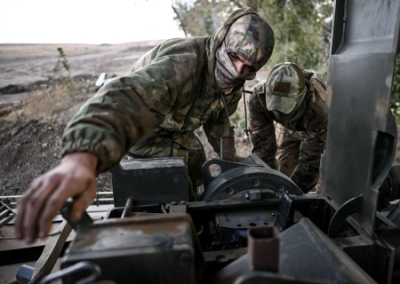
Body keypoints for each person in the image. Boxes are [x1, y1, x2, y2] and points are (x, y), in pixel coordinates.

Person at [15, 8, 274, 243]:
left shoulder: (234, 77)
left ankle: (198, 225)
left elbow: (218, 115)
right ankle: (176, 238)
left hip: (178, 130)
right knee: (174, 185)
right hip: (147, 132)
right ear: (223, 42)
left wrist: (227, 156)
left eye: (249, 67)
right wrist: (82, 158)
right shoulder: (184, 64)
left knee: (197, 168)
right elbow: (128, 99)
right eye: (234, 57)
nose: (238, 69)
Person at [247, 62, 327, 193]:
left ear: (301, 97)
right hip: (288, 129)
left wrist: (289, 195)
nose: (280, 114)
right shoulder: (258, 99)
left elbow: (311, 164)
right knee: (284, 172)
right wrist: (268, 186)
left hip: (317, 130)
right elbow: (263, 148)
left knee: (320, 181)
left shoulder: (319, 108)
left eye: (285, 108)